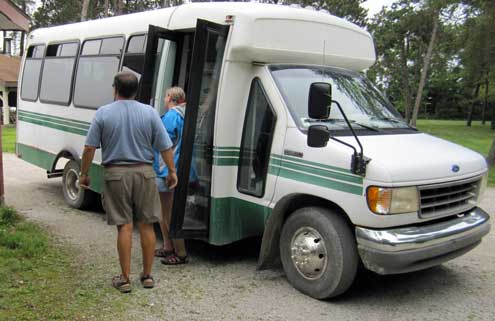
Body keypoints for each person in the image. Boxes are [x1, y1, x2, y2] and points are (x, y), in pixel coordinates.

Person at [79, 72, 177, 293]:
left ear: (115, 89)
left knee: (124, 225)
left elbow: (89, 148)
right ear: (136, 90)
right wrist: (171, 171)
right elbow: (165, 146)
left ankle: (124, 279)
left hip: (116, 174)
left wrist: (84, 174)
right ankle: (147, 275)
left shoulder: (103, 113)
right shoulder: (150, 113)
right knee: (147, 224)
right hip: (145, 173)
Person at [153, 86, 195, 265]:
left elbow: (164, 144)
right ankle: (168, 246)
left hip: (167, 171)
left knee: (168, 213)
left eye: (165, 96)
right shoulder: (188, 115)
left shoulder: (171, 116)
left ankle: (181, 253)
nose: (164, 100)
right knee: (164, 211)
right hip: (181, 169)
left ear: (170, 97)